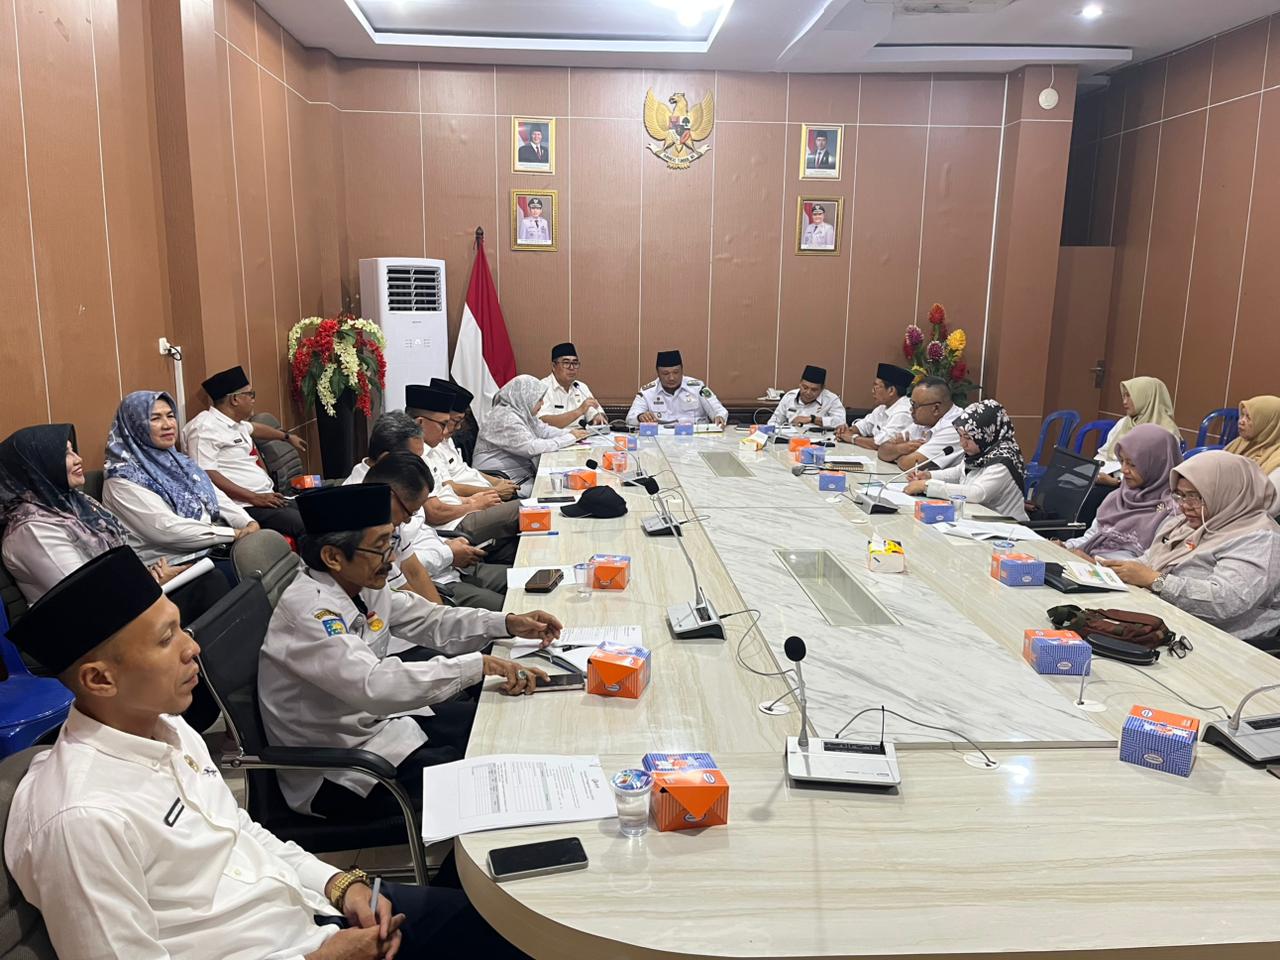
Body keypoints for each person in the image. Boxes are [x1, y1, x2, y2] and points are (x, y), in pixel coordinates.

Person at [3, 546, 529, 959]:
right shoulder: (81, 819)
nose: (192, 647)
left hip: (308, 912)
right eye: (166, 640)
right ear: (100, 679)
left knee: (508, 919)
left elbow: (240, 832)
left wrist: (337, 884)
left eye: (181, 627)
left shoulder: (168, 729)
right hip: (295, 947)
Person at [258, 483, 557, 820]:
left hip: (378, 729)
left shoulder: (360, 585)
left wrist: (507, 622)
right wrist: (479, 665)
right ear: (333, 557)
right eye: (380, 547)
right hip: (340, 769)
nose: (391, 558)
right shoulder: (310, 614)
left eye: (391, 542)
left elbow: (432, 620)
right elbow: (374, 685)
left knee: (494, 724)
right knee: (483, 775)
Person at [1102, 451, 1280, 646]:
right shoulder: (1191, 522)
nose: (1185, 506)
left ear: (1228, 492)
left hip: (1219, 643)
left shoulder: (1260, 539)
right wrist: (1113, 570)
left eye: (1196, 496)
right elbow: (1151, 560)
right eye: (1180, 495)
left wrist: (1156, 581)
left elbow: (1227, 601)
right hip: (1164, 620)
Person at [102, 390, 259, 580]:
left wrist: (248, 523)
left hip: (211, 548)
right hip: (171, 565)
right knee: (249, 572)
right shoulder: (122, 478)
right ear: (134, 425)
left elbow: (216, 497)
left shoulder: (180, 462)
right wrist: (233, 533)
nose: (168, 424)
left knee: (264, 554)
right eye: (155, 418)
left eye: (170, 416)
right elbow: (167, 530)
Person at [369, 452, 511, 612]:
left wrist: (446, 543)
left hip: (452, 567)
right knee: (510, 607)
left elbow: (414, 570)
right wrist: (448, 553)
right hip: (442, 580)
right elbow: (407, 575)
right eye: (410, 512)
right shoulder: (370, 532)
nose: (409, 520)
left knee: (522, 583)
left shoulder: (395, 519)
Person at [182, 365, 307, 536]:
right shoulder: (204, 428)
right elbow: (206, 474)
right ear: (235, 399)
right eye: (250, 394)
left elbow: (255, 428)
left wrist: (286, 436)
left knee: (319, 511)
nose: (253, 399)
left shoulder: (235, 423)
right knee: (307, 524)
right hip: (245, 506)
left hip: (266, 497)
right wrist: (254, 497)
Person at [406, 385, 522, 563]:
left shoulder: (432, 449)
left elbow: (448, 489)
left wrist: (471, 500)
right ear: (420, 423)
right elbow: (435, 512)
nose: (447, 431)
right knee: (526, 509)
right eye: (443, 424)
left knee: (517, 546)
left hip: (462, 509)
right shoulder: (414, 459)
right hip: (454, 524)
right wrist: (474, 504)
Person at [1062, 423, 1182, 561]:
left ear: (1157, 465)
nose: (1124, 470)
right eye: (1122, 461)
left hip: (1117, 572)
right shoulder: (1117, 497)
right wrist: (1066, 546)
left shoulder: (1172, 512)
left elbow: (1151, 564)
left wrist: (1097, 565)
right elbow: (1091, 537)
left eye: (1132, 464)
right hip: (1090, 565)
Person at [905, 399, 1029, 520]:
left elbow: (977, 493)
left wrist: (927, 486)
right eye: (960, 436)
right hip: (978, 519)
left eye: (968, 438)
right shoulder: (982, 452)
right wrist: (929, 475)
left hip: (1006, 526)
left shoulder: (1003, 460)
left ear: (987, 434)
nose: (962, 443)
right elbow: (959, 472)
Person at [473, 376, 587, 497]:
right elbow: (531, 448)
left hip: (521, 475)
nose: (542, 403)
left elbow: (543, 430)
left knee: (562, 483)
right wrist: (569, 438)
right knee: (558, 489)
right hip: (503, 481)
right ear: (525, 396)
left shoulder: (521, 411)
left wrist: (573, 433)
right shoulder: (504, 417)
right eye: (539, 399)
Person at [1094, 376, 1180, 485]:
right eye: (1124, 396)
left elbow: (1158, 475)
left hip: (1133, 487)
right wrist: (1094, 471)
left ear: (1146, 398)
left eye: (1129, 396)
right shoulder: (1124, 422)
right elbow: (1104, 453)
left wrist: (1116, 482)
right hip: (1107, 477)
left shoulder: (1166, 431)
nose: (1124, 401)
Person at [876, 375, 964, 470]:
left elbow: (909, 464)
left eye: (915, 405)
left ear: (936, 408)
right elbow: (882, 450)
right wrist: (902, 448)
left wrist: (896, 454)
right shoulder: (923, 421)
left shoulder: (956, 426)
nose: (911, 410)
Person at [626, 350, 728, 427]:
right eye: (665, 373)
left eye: (676, 372)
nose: (671, 378)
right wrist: (640, 417)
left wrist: (719, 417)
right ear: (658, 373)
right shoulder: (647, 392)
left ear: (682, 370)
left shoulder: (697, 388)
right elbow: (630, 418)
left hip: (695, 439)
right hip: (662, 439)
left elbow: (719, 410)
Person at [836, 363, 915, 450]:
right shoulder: (882, 408)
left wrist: (852, 438)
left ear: (891, 391)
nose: (872, 391)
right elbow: (864, 426)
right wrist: (846, 431)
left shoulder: (903, 413)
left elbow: (881, 444)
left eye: (876, 387)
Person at [1226, 395, 1280, 514]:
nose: (1241, 421)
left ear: (1268, 423)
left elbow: (1267, 508)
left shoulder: (1277, 462)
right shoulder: (1240, 443)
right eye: (1242, 415)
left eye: (1249, 417)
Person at [540, 341, 607, 428]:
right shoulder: (542, 387)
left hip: (582, 435)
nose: (571, 367)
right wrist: (579, 411)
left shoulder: (581, 387)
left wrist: (598, 417)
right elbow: (542, 421)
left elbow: (596, 412)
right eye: (566, 363)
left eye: (575, 363)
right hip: (555, 436)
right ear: (554, 366)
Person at [769, 365, 846, 429]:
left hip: (820, 440)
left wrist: (813, 419)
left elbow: (841, 423)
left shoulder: (831, 399)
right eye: (805, 387)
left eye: (814, 390)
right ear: (800, 383)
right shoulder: (789, 397)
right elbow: (773, 422)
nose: (808, 392)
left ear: (822, 388)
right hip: (791, 438)